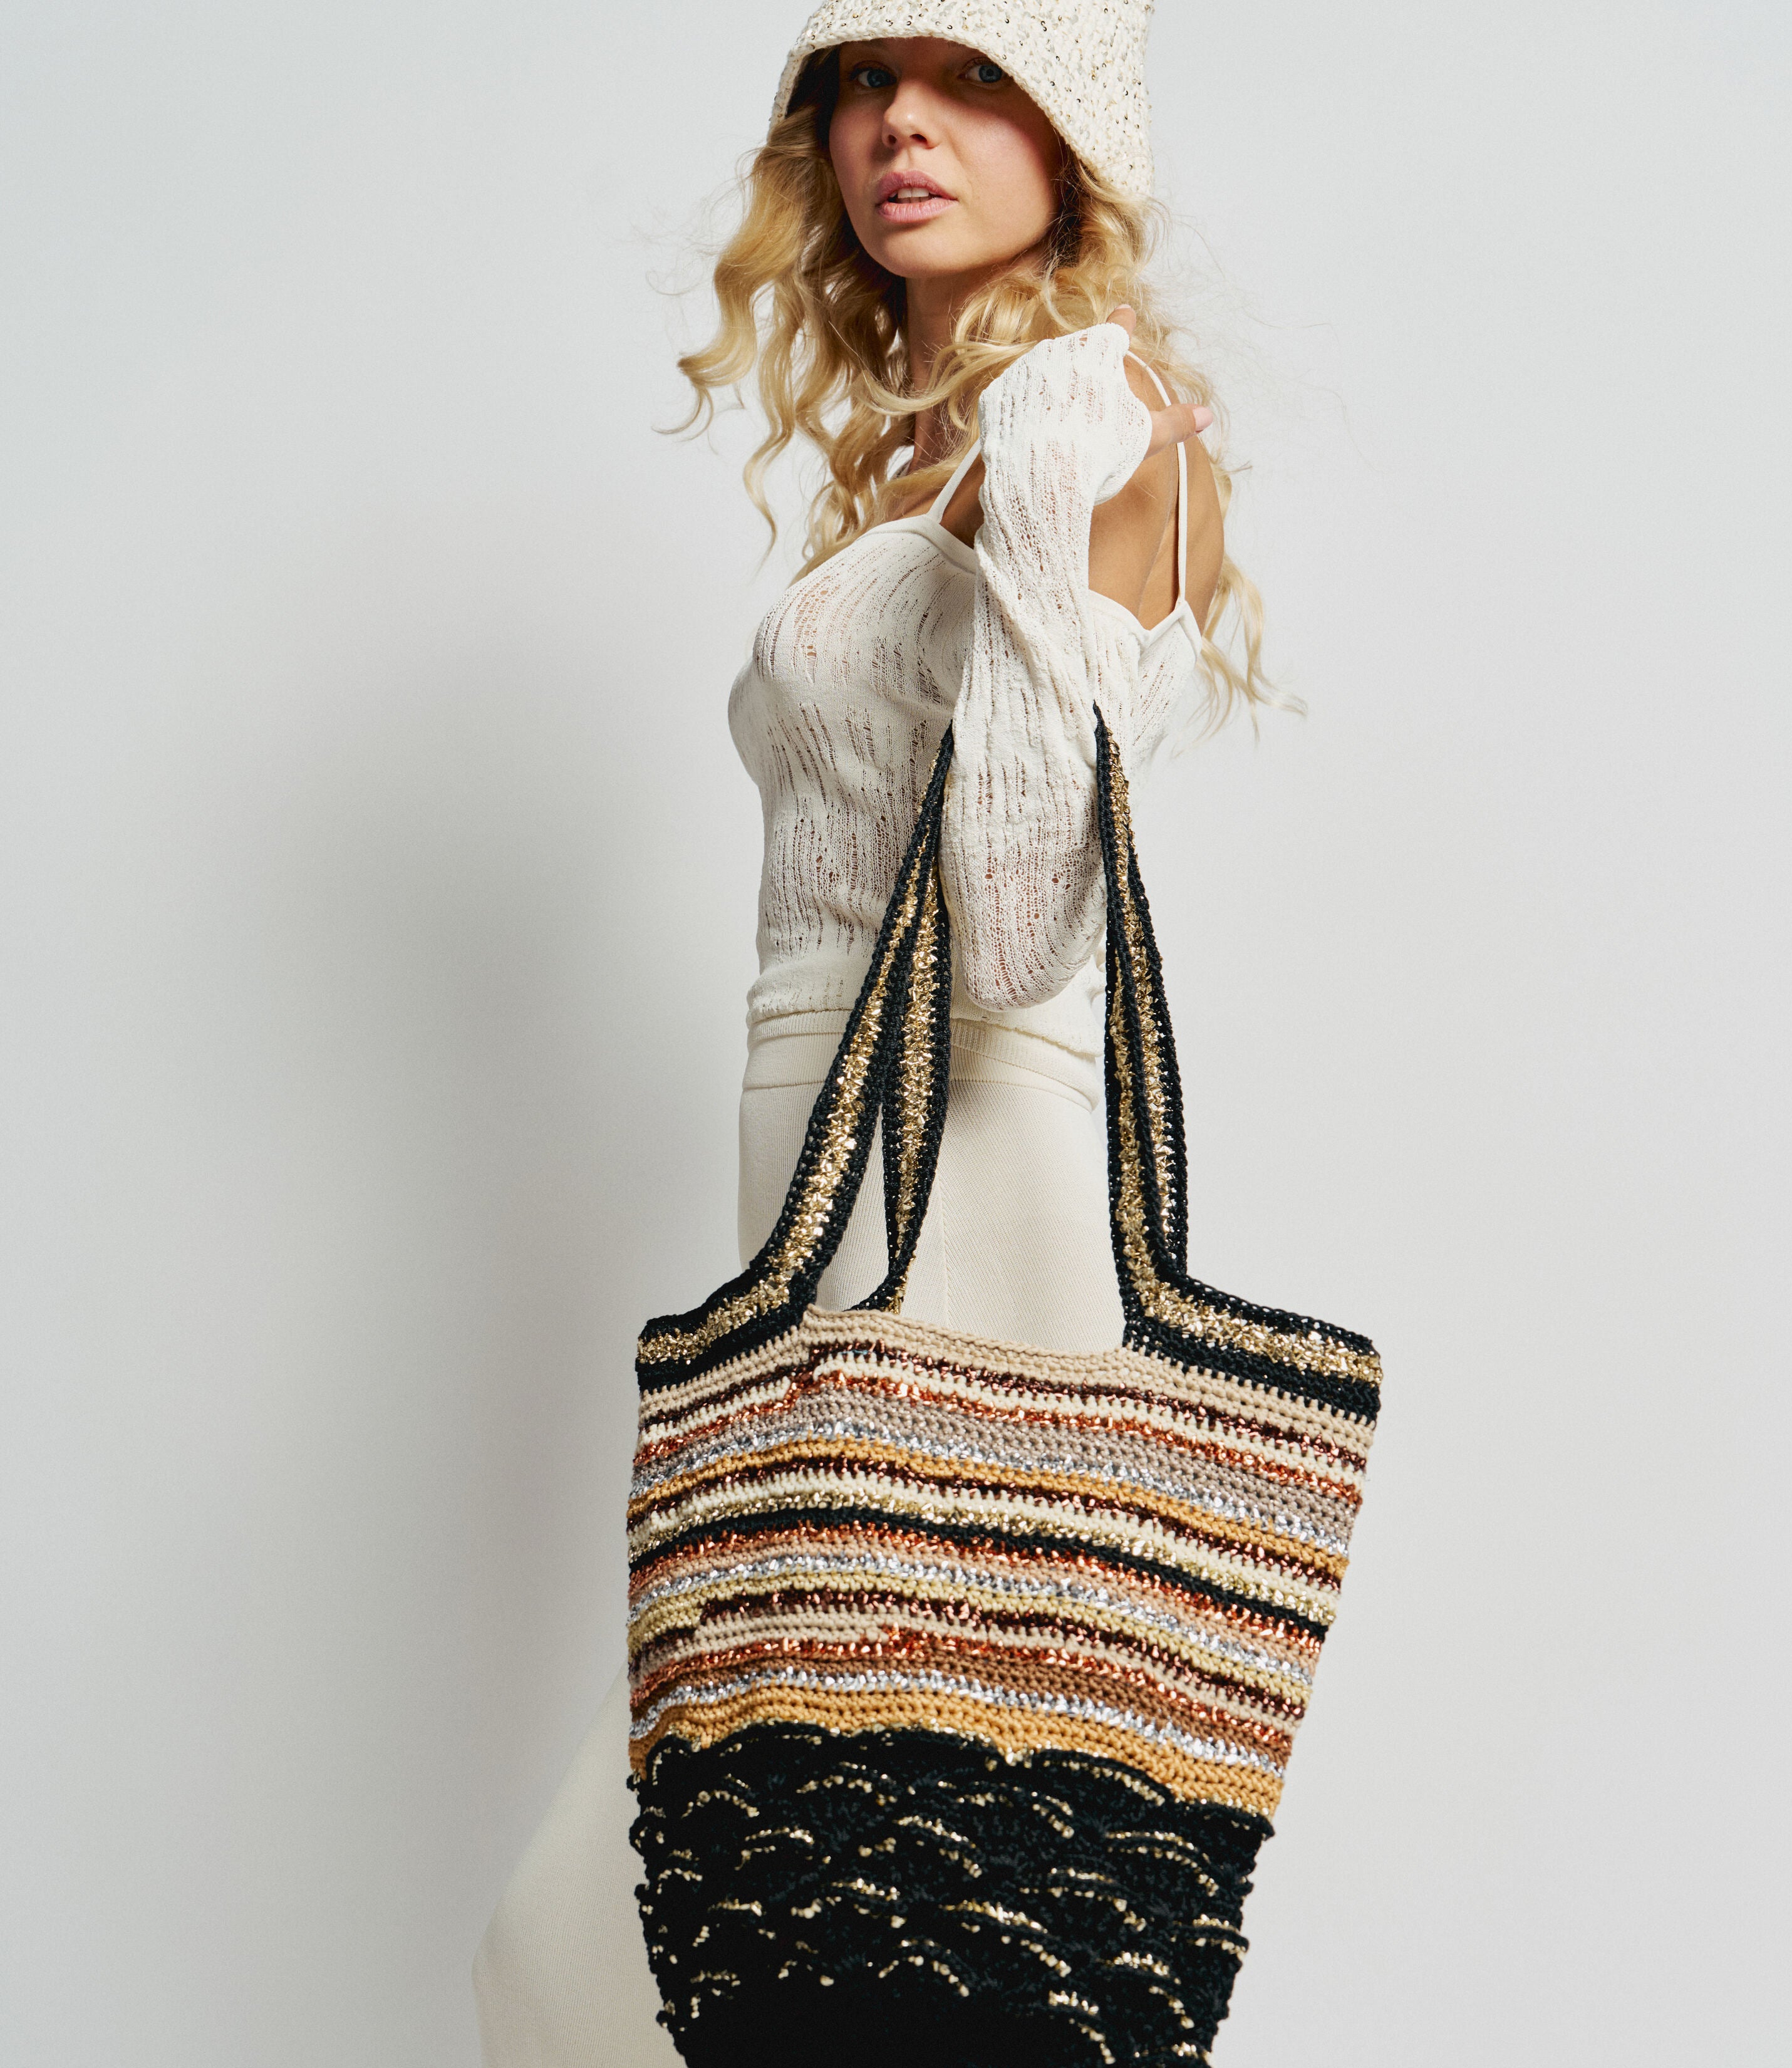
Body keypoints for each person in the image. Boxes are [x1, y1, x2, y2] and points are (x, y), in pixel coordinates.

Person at [474, 6, 1273, 2061]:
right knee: (766, 1956)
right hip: (831, 1181)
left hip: (962, 1172)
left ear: (1074, 131)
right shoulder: (919, 445)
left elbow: (1009, 923)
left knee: (644, 1955)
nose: (900, 122)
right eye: (859, 80)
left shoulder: (1078, 411)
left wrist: (1044, 498)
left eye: (970, 74)